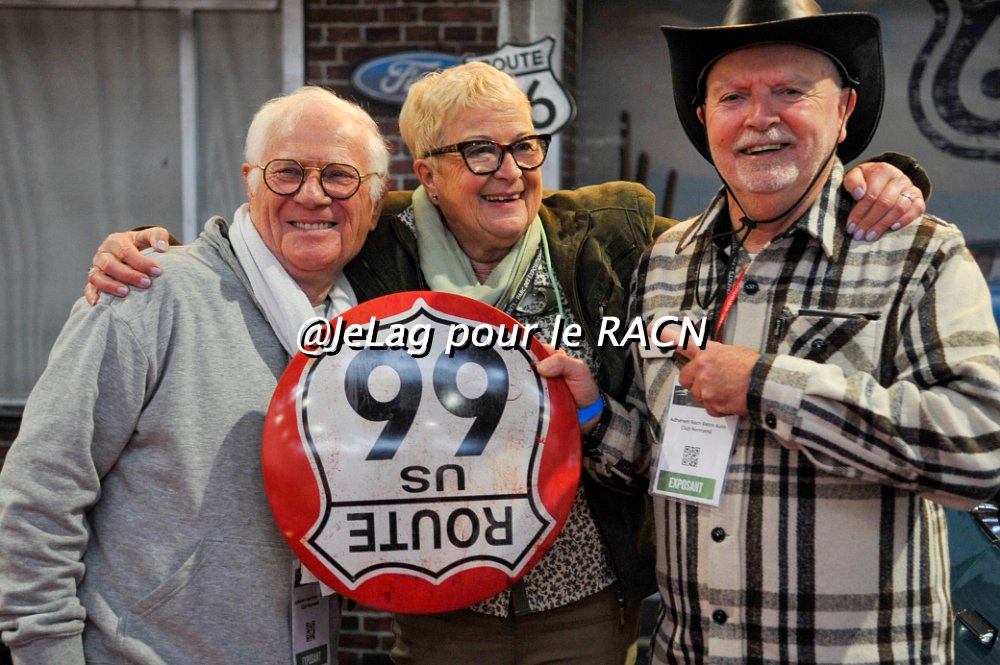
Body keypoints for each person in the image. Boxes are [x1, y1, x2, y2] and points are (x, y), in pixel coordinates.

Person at [81, 63, 927, 665]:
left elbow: (744, 231)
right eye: (479, 152)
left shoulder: (608, 229)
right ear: (426, 173)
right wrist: (152, 250)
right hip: (440, 598)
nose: (510, 171)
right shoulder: (378, 244)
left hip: (584, 596)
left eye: (524, 146)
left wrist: (874, 178)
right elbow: (279, 230)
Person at [573, 1, 1000, 664]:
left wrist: (766, 385)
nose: (759, 117)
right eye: (733, 97)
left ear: (844, 110)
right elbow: (664, 454)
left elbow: (977, 449)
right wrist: (591, 414)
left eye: (789, 91)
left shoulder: (917, 253)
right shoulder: (665, 263)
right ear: (703, 116)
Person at [0, 86, 390, 664]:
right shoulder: (145, 293)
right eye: (287, 172)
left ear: (375, 204)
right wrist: (46, 652)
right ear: (251, 183)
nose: (312, 194)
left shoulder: (369, 334)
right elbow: (40, 495)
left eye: (339, 175)